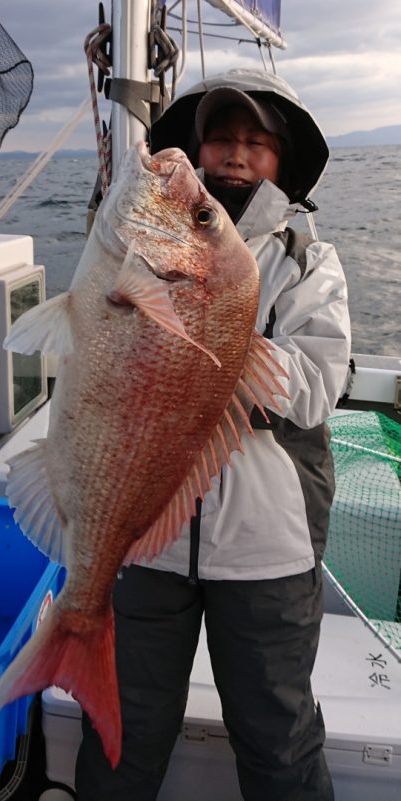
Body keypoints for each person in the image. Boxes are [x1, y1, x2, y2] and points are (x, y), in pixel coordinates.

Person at [75, 68, 351, 801]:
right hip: (149, 539)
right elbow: (97, 334)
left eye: (255, 142)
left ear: (282, 160)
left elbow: (319, 382)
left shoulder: (308, 258)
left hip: (268, 551)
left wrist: (209, 350)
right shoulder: (141, 242)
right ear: (196, 151)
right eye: (221, 138)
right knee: (124, 730)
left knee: (277, 735)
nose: (235, 153)